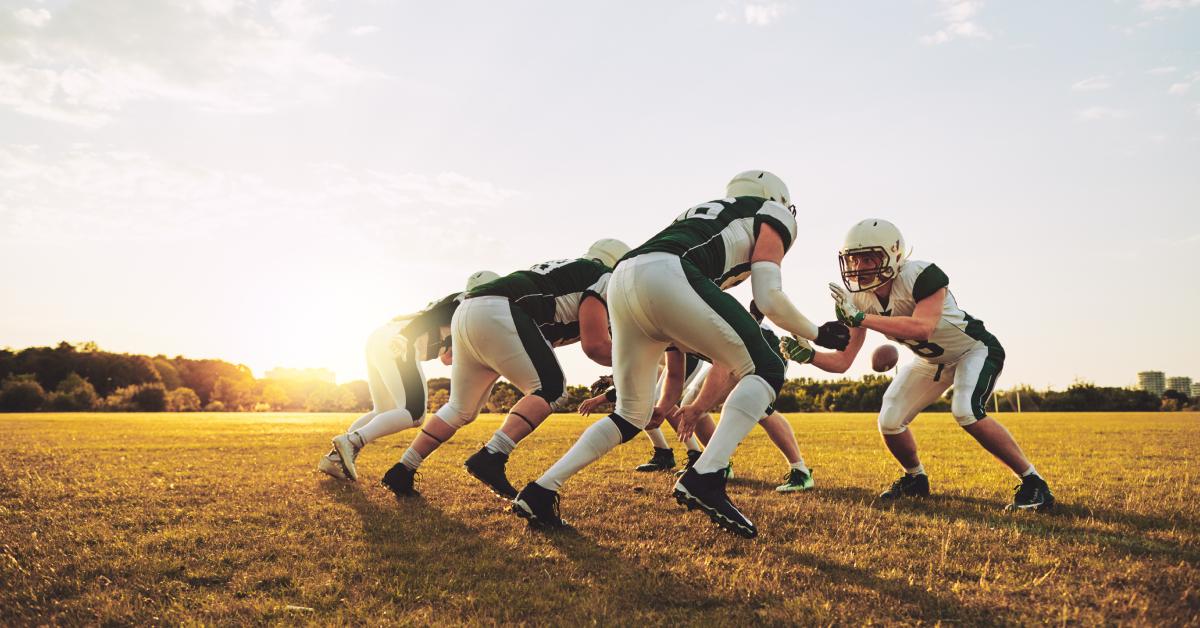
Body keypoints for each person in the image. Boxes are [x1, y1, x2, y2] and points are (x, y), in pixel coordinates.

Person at [511, 171, 849, 538]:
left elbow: (678, 365)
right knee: (766, 364)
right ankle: (708, 474)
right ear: (777, 200)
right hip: (669, 273)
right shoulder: (772, 212)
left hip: (625, 279)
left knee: (630, 415)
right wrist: (819, 333)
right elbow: (768, 297)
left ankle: (542, 489)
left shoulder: (700, 216)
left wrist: (673, 401)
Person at [780, 218, 1054, 511]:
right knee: (890, 419)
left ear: (894, 254)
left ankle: (1034, 482)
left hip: (973, 349)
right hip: (931, 360)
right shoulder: (856, 297)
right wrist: (810, 357)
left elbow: (922, 328)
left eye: (869, 258)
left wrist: (859, 319)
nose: (860, 268)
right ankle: (915, 479)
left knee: (966, 410)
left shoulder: (921, 275)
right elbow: (843, 361)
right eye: (854, 259)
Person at [379, 239, 629, 499]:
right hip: (501, 310)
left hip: (470, 310)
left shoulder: (569, 269)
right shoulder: (604, 278)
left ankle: (402, 469)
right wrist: (638, 364)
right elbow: (596, 345)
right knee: (551, 389)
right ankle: (493, 456)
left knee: (459, 408)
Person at [320, 270, 499, 481]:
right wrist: (406, 338)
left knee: (384, 410)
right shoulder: (467, 302)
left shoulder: (457, 305)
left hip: (382, 337)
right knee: (414, 413)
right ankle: (352, 441)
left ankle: (334, 458)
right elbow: (430, 318)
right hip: (400, 342)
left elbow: (446, 357)